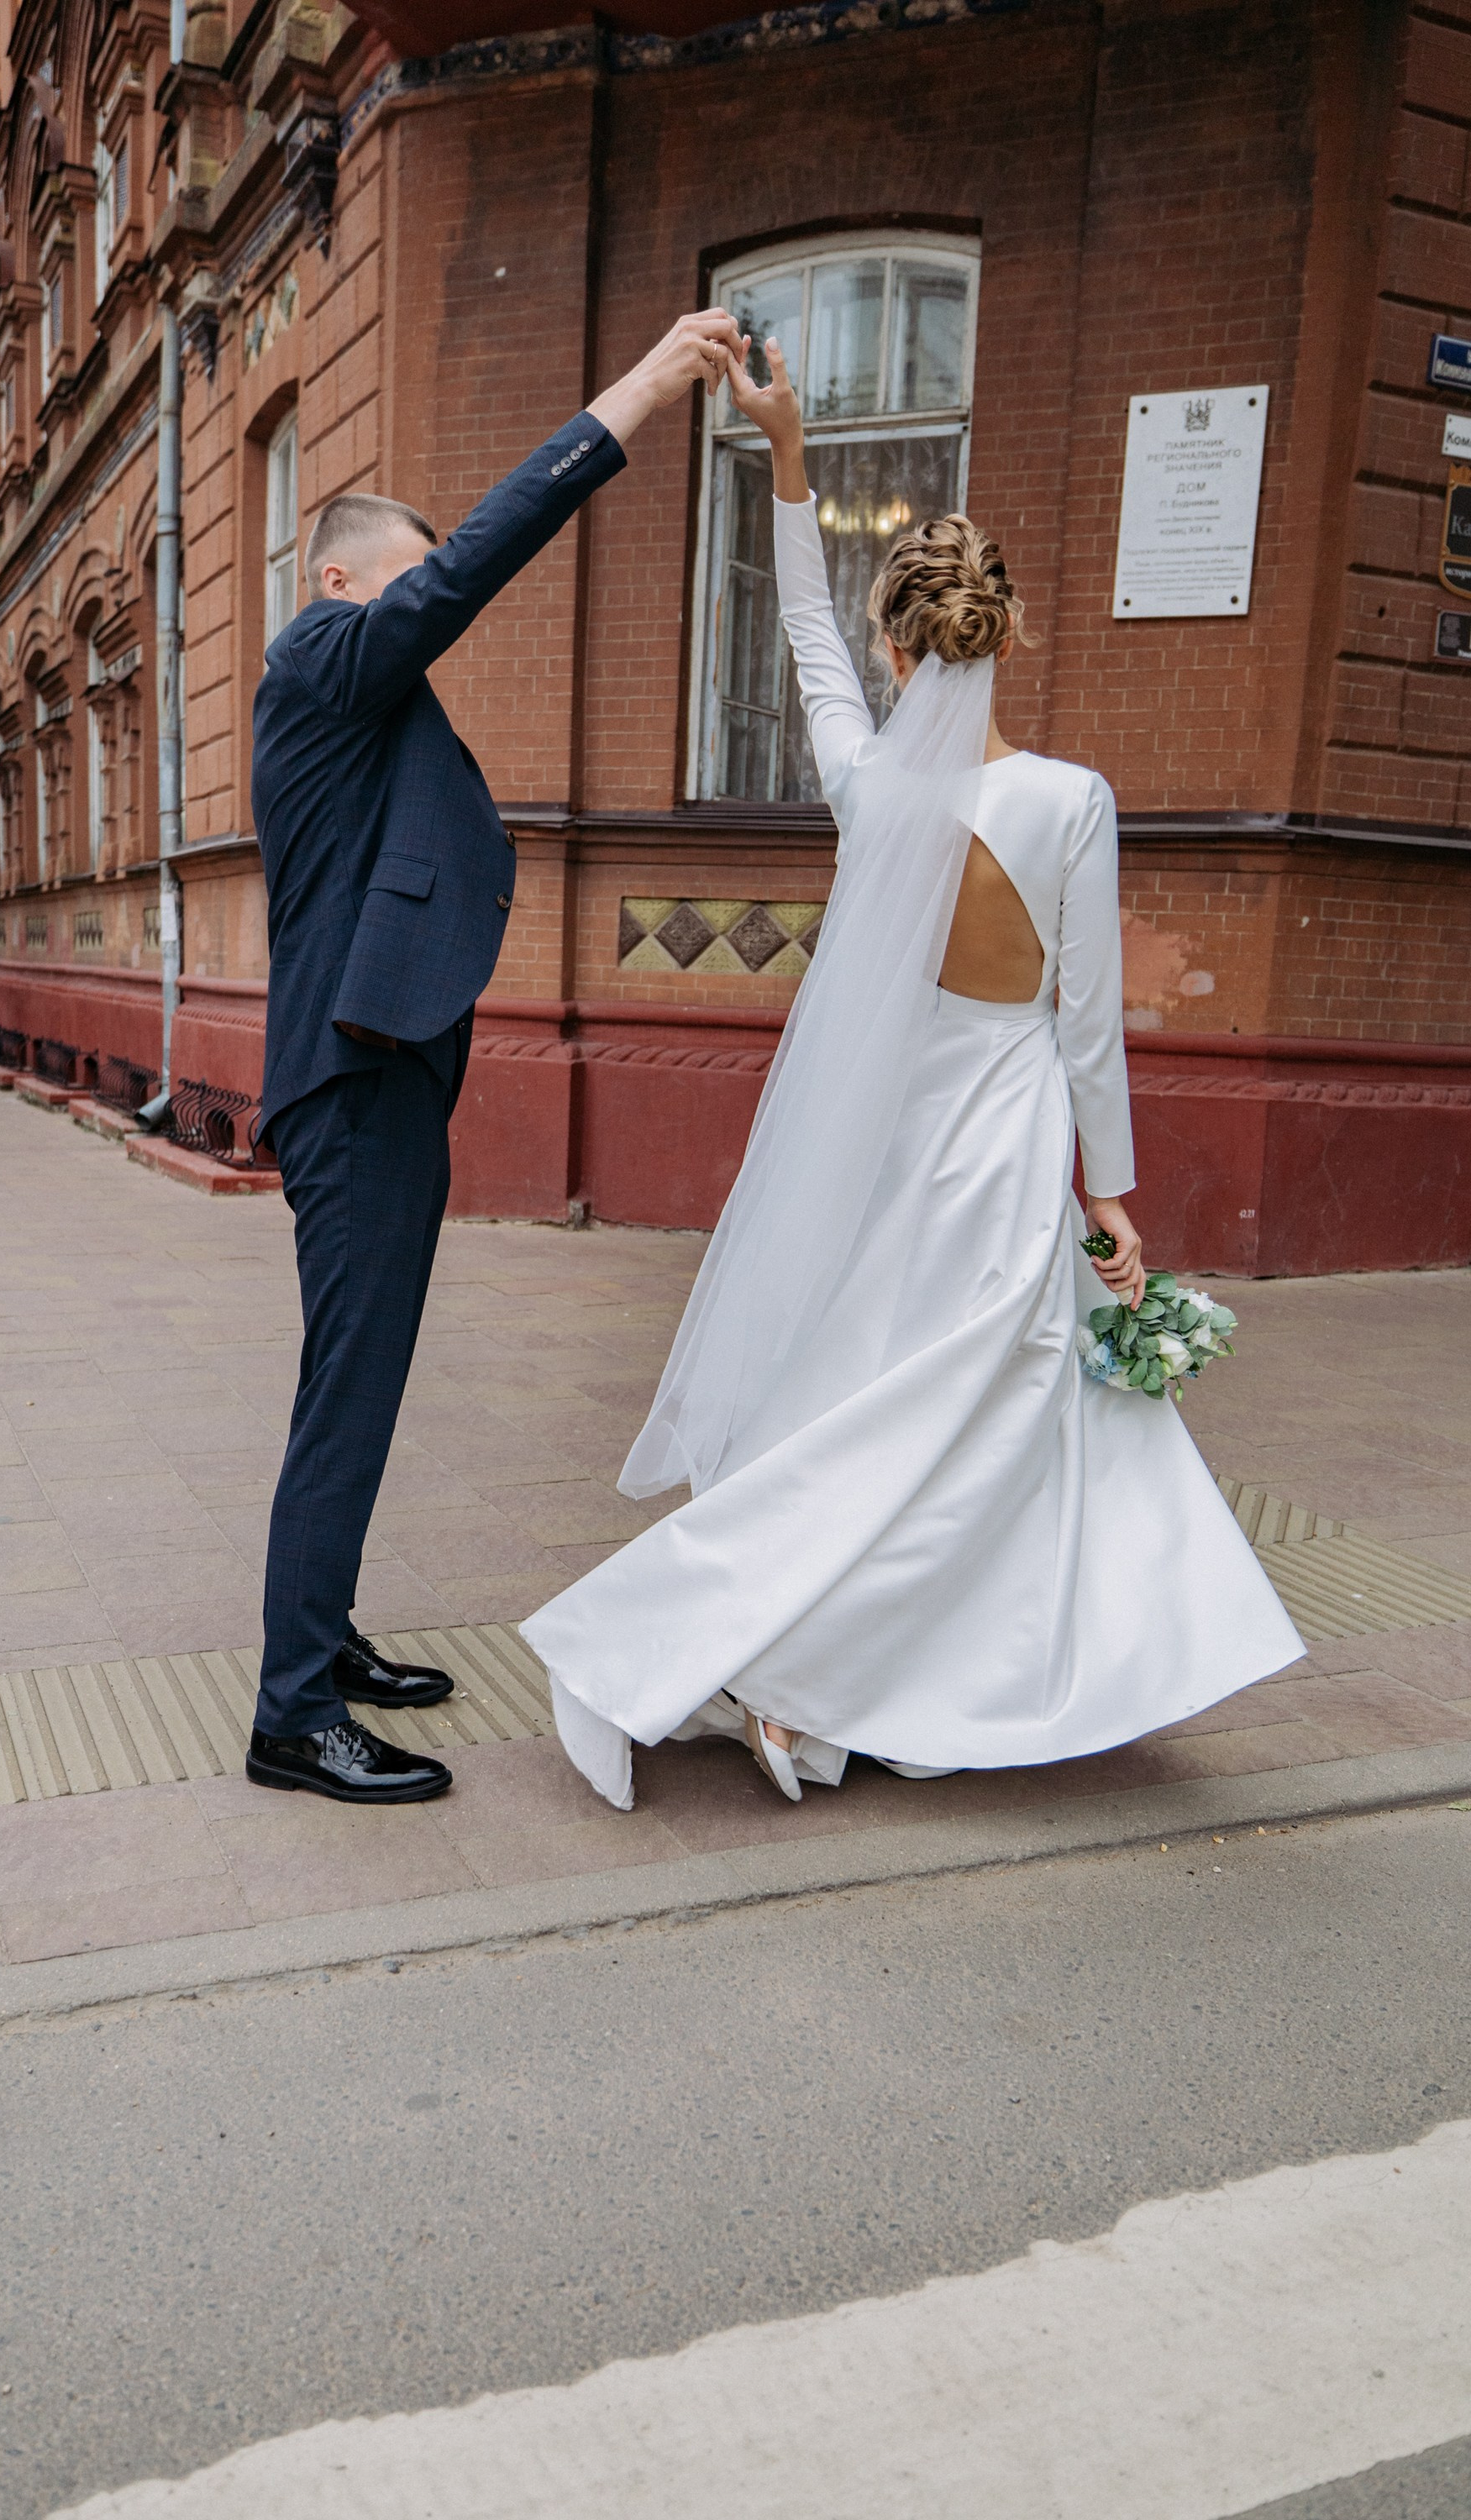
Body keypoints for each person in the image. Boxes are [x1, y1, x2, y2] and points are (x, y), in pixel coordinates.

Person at [523, 338, 1302, 1809]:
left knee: (867, 1406)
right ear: (1003, 641)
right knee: (980, 1423)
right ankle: (861, 1680)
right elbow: (1085, 1024)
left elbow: (803, 637)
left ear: (900, 652)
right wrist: (1114, 1196)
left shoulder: (870, 793)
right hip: (1006, 1149)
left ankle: (799, 1670)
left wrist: (790, 458)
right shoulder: (1073, 802)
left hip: (890, 1144)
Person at [246, 307, 746, 1809]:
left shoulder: (352, 697)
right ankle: (290, 1715)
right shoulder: (326, 654)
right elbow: (471, 569)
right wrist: (646, 391)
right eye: (410, 572)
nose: (428, 598)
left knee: (364, 1376)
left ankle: (319, 1644)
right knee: (350, 1385)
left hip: (378, 1073)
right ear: (344, 583)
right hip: (353, 1082)